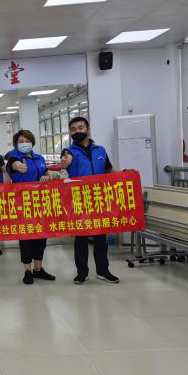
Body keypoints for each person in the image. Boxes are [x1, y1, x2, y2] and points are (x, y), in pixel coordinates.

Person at [60, 117, 119, 285]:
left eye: (80, 128)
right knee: (81, 238)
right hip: (79, 199)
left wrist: (124, 173)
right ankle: (82, 273)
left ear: (87, 129)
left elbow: (108, 170)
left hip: (99, 199)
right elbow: (65, 162)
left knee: (101, 237)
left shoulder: (100, 150)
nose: (77, 131)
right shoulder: (69, 151)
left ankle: (103, 271)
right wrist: (65, 162)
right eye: (73, 129)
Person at [6, 130, 56, 285]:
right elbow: (12, 165)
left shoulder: (39, 158)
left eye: (27, 140)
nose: (24, 143)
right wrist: (16, 165)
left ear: (32, 142)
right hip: (24, 204)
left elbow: (45, 172)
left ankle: (38, 269)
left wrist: (47, 176)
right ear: (16, 144)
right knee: (26, 236)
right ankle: (27, 270)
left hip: (41, 203)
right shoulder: (14, 157)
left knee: (41, 235)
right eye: (20, 141)